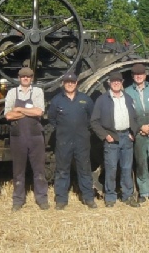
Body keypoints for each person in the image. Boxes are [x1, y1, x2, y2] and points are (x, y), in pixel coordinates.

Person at [90, 72, 140, 208]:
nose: (116, 83)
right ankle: (110, 197)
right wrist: (105, 136)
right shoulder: (102, 100)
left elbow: (135, 118)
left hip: (126, 137)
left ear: (122, 82)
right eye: (113, 81)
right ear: (109, 83)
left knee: (126, 168)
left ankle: (128, 195)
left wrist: (133, 132)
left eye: (118, 81)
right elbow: (94, 121)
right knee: (111, 168)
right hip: (112, 138)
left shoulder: (128, 98)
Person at [48, 72, 96, 210]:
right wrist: (64, 130)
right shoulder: (57, 100)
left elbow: (91, 119)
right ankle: (61, 200)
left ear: (77, 83)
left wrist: (82, 131)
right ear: (63, 83)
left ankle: (88, 198)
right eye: (67, 82)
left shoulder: (85, 100)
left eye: (72, 82)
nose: (70, 84)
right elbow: (52, 119)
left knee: (84, 169)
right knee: (62, 170)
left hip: (82, 141)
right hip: (63, 141)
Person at [4, 67, 49, 211]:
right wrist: (28, 112)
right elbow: (8, 116)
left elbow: (39, 112)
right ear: (19, 77)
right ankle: (18, 200)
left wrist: (19, 109)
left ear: (32, 78)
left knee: (39, 170)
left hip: (35, 136)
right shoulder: (12, 92)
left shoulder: (37, 92)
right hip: (18, 137)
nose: (25, 78)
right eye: (23, 76)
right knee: (18, 171)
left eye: (28, 76)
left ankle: (41, 198)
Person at [125, 63, 149, 202]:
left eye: (141, 74)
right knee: (141, 162)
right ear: (132, 76)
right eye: (136, 75)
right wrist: (140, 127)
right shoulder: (127, 92)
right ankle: (144, 192)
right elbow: (128, 114)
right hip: (138, 131)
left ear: (145, 75)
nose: (138, 76)